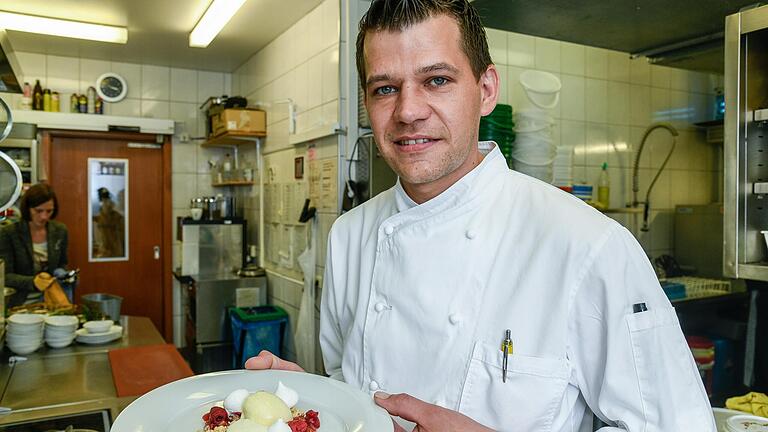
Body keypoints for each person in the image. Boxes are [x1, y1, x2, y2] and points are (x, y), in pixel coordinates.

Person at [246, 0, 716, 430]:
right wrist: (309, 404)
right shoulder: (350, 235)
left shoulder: (587, 246)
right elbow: (350, 394)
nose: (408, 111)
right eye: (385, 88)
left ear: (486, 90)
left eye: (436, 80)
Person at [0, 183, 69, 307]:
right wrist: (32, 282)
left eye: (49, 211)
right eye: (38, 211)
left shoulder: (60, 231)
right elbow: (4, 275)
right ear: (28, 209)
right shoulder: (9, 233)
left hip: (52, 301)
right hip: (19, 302)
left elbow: (62, 263)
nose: (44, 217)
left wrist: (63, 274)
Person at [92, 187, 125, 258]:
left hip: (116, 253)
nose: (106, 201)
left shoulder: (118, 217)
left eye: (107, 198)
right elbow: (97, 239)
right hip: (104, 252)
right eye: (103, 199)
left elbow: (122, 237)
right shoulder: (97, 218)